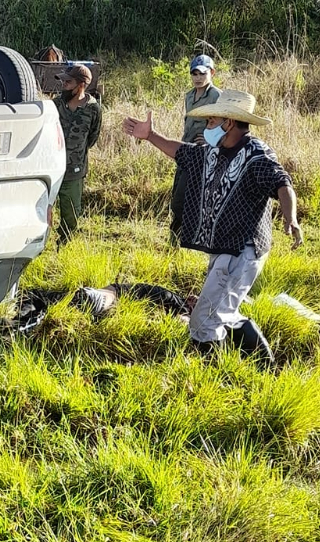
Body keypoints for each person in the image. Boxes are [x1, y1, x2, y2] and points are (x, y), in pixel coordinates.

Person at [123, 90, 304, 364]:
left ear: (229, 123)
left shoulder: (257, 154)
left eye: (211, 121)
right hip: (224, 247)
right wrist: (150, 136)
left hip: (242, 249)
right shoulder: (215, 151)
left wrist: (290, 218)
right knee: (225, 311)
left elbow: (282, 183)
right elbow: (183, 154)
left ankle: (214, 372)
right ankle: (264, 369)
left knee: (204, 320)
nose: (207, 127)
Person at [170, 54, 222, 239]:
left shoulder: (217, 96)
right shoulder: (189, 95)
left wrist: (210, 139)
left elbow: (224, 124)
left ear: (212, 73)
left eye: (202, 73)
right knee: (177, 193)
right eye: (194, 73)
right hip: (186, 148)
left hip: (203, 153)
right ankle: (176, 237)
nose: (198, 77)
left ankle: (182, 238)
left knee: (186, 198)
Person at [53, 64, 103, 242]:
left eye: (68, 82)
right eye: (63, 81)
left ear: (81, 85)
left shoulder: (93, 109)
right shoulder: (55, 105)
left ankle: (64, 245)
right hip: (50, 169)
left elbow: (92, 137)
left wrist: (75, 154)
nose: (64, 85)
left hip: (74, 170)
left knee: (72, 215)